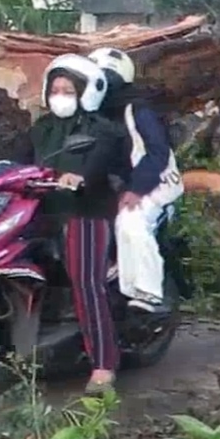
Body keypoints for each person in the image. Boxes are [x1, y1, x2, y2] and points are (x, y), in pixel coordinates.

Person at [18, 55, 128, 395]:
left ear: (85, 92)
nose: (60, 95)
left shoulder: (102, 130)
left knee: (86, 283)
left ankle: (103, 365)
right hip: (43, 211)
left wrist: (79, 177)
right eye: (55, 89)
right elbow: (20, 162)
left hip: (86, 213)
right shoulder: (43, 129)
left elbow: (97, 166)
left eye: (68, 90)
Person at [87, 47, 182, 314]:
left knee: (132, 222)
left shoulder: (137, 110)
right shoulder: (92, 112)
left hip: (154, 183)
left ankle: (148, 293)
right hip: (114, 184)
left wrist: (137, 189)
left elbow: (158, 152)